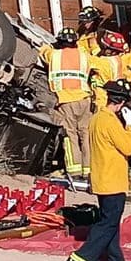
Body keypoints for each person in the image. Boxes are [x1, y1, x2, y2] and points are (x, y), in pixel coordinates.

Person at [63, 80, 131, 261]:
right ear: (121, 104)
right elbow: (128, 148)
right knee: (108, 225)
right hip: (113, 182)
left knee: (109, 222)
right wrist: (129, 125)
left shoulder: (96, 118)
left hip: (102, 180)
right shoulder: (111, 122)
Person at [38, 28, 93, 181]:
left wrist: (45, 45)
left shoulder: (54, 55)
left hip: (66, 100)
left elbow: (43, 52)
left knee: (70, 136)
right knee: (85, 135)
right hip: (84, 99)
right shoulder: (84, 56)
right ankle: (88, 170)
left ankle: (75, 171)